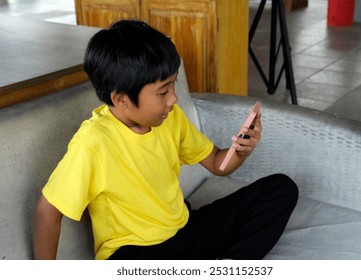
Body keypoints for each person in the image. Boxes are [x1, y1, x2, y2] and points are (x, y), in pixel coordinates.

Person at [33, 19, 298, 260]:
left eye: (173, 84)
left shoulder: (169, 117)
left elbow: (218, 164)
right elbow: (48, 211)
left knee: (281, 188)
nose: (173, 98)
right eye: (162, 92)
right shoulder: (93, 141)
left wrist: (240, 151)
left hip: (185, 231)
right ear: (121, 99)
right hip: (134, 253)